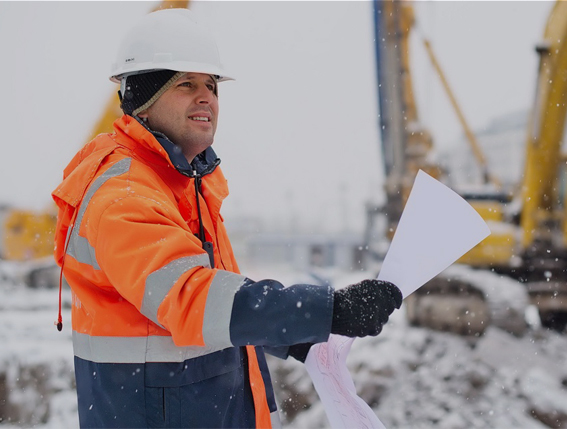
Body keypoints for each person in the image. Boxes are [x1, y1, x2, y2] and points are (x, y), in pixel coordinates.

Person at [52, 8, 402, 429]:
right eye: (186, 84)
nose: (207, 98)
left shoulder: (184, 183)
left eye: (212, 86)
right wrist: (328, 310)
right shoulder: (123, 196)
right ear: (142, 98)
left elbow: (221, 302)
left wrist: (296, 337)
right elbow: (195, 299)